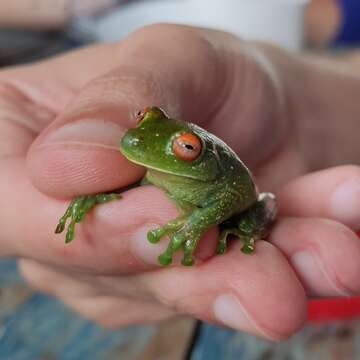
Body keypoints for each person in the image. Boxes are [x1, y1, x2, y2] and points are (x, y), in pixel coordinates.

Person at [1, 22, 360, 343]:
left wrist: (196, 223)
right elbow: (129, 185)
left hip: (239, 200)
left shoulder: (214, 176)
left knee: (252, 223)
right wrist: (87, 193)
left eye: (185, 148)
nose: (134, 137)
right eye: (141, 117)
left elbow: (233, 194)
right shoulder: (145, 162)